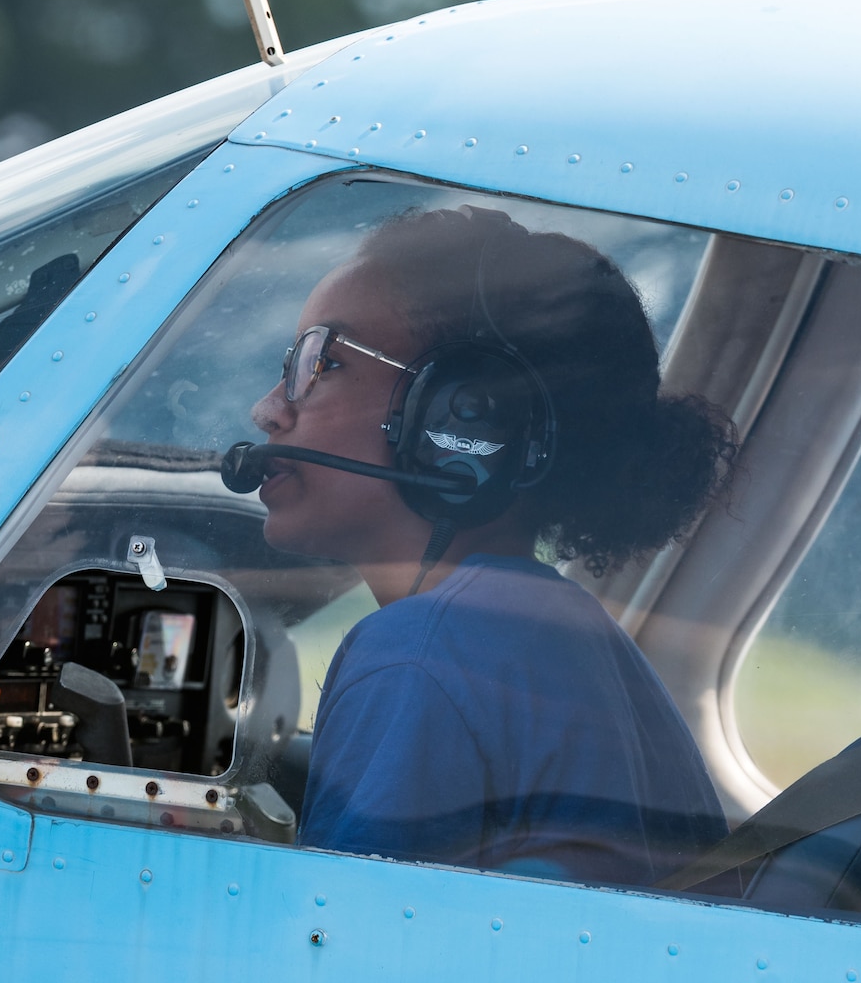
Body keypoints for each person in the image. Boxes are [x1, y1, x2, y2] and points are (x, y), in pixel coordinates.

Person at [244, 206, 736, 886]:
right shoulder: (551, 629)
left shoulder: (420, 651)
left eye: (320, 362)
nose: (268, 409)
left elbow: (341, 946)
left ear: (462, 412)